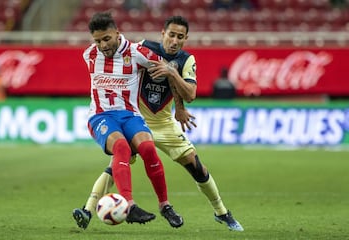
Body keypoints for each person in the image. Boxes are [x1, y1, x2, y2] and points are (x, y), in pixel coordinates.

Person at [74, 15, 244, 232]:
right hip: (136, 118)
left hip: (163, 121)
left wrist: (179, 103)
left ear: (185, 39)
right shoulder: (144, 48)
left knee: (196, 166)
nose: (174, 41)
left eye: (179, 37)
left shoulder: (186, 60)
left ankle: (222, 212)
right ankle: (88, 209)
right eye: (171, 35)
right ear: (163, 34)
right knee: (118, 159)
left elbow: (189, 92)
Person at [72, 11, 183, 229]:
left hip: (131, 114)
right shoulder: (90, 55)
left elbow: (168, 70)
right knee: (121, 147)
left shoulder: (136, 52)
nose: (102, 45)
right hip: (101, 116)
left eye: (106, 39)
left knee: (149, 149)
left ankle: (165, 205)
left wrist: (179, 104)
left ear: (117, 33)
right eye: (97, 41)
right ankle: (128, 205)